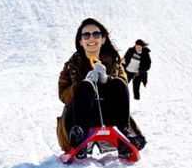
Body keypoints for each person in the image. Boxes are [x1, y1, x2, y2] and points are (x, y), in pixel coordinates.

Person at [57, 18, 146, 159]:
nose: (91, 38)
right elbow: (63, 95)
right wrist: (84, 83)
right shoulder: (71, 66)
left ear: (103, 39)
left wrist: (105, 79)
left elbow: (122, 87)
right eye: (86, 35)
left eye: (96, 34)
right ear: (80, 41)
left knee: (118, 83)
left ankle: (123, 132)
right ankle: (79, 136)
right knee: (85, 86)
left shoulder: (115, 63)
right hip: (79, 116)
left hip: (109, 114)